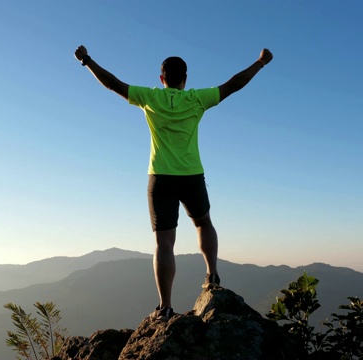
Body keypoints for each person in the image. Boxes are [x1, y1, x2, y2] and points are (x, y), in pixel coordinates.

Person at [74, 44, 273, 320]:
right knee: (203, 223)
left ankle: (165, 307)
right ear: (185, 79)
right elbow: (234, 84)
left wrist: (87, 60)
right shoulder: (197, 99)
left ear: (161, 79)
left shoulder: (148, 97)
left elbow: (112, 84)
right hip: (192, 175)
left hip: (160, 178)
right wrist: (260, 63)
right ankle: (212, 275)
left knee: (164, 243)